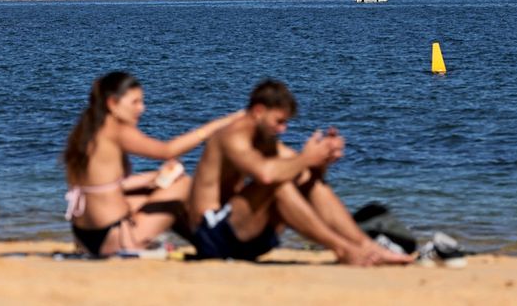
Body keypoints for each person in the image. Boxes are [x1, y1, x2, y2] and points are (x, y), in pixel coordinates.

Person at [188, 79, 414, 266]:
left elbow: (305, 177)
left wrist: (322, 160)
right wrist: (306, 157)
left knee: (309, 182)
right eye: (279, 121)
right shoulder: (232, 135)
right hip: (213, 235)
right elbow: (266, 175)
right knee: (278, 183)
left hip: (246, 237)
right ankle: (343, 249)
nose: (283, 129)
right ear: (258, 111)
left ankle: (365, 246)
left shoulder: (266, 140)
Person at [62, 71, 242, 257]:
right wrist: (218, 125)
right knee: (182, 185)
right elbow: (167, 151)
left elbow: (102, 185)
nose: (142, 108)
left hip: (84, 234)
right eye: (135, 102)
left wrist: (153, 178)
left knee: (158, 189)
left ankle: (210, 244)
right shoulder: (116, 130)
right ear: (112, 104)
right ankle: (213, 244)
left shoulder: (84, 130)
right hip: (113, 237)